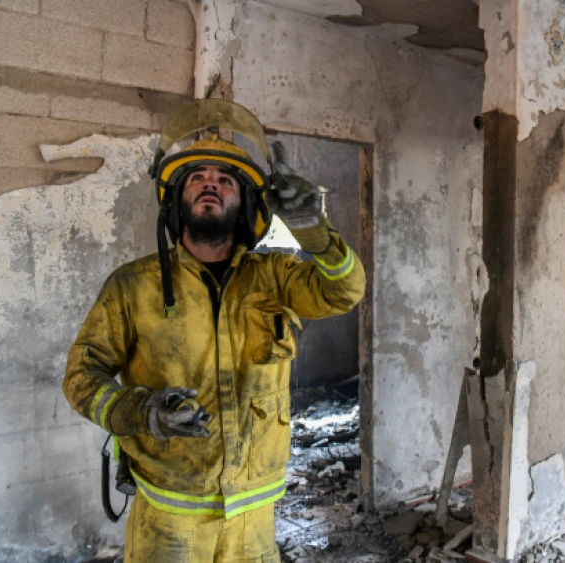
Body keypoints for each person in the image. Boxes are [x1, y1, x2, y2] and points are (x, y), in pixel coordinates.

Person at [62, 99, 364, 562]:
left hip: (255, 517)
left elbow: (345, 290)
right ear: (176, 198)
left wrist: (314, 231)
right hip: (168, 516)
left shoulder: (276, 276)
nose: (211, 185)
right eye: (198, 177)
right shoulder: (131, 286)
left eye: (225, 180)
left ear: (245, 202)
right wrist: (138, 411)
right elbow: (81, 376)